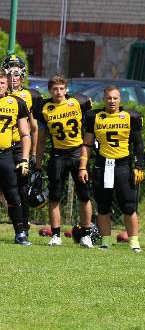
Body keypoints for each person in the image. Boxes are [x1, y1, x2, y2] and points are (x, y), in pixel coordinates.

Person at [79, 86, 145, 252]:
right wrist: (83, 167)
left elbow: (138, 144)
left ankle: (134, 242)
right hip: (102, 164)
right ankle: (106, 242)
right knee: (103, 205)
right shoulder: (94, 116)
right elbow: (87, 144)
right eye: (109, 98)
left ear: (120, 99)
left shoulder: (130, 116)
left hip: (123, 165)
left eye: (115, 98)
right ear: (104, 99)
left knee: (129, 206)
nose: (112, 101)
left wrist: (139, 165)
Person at [37, 75, 94, 246]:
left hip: (77, 152)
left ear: (66, 89)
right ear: (50, 90)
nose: (58, 92)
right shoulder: (44, 107)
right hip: (58, 154)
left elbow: (90, 127)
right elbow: (41, 140)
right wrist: (37, 165)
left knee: (84, 195)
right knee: (54, 196)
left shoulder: (78, 102)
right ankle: (56, 235)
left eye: (61, 88)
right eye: (55, 89)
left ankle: (86, 234)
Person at [0, 73, 32, 245]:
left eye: (2, 82)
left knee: (13, 194)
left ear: (7, 85)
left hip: (5, 153)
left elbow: (25, 134)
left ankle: (20, 233)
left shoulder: (17, 102)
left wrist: (25, 158)